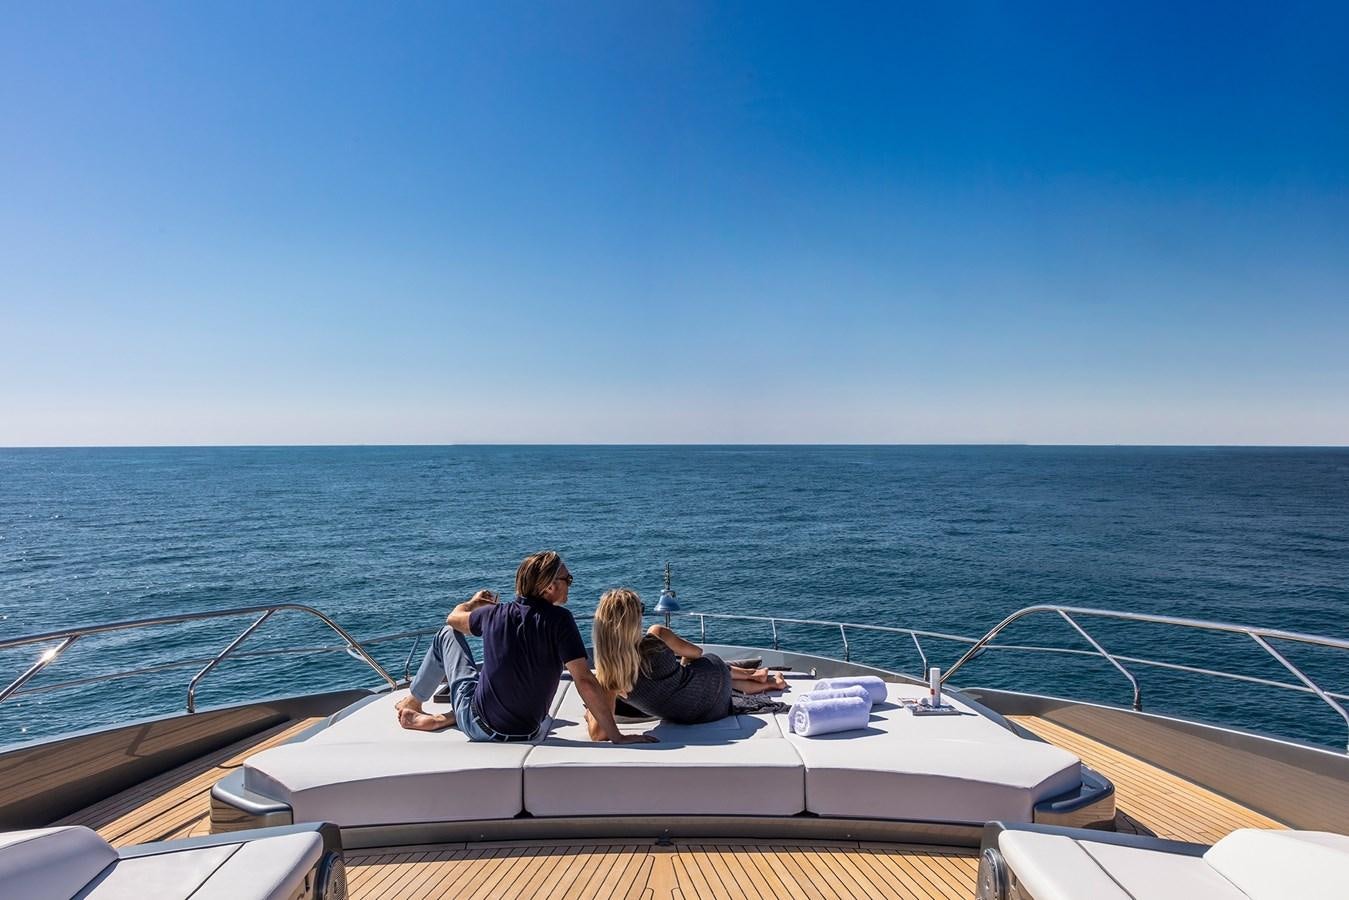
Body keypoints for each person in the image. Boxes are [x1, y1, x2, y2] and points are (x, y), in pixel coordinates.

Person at [396, 551, 656, 744]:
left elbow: (453, 619)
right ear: (549, 587)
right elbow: (584, 680)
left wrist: (473, 604)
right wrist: (617, 736)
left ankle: (414, 702)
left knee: (446, 634)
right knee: (478, 682)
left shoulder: (493, 614)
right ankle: (441, 715)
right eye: (568, 579)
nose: (570, 583)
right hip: (528, 730)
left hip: (481, 727)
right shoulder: (560, 621)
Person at [586, 587, 788, 734]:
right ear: (633, 621)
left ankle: (765, 681)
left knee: (713, 683)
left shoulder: (610, 678)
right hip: (712, 688)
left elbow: (598, 734)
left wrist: (590, 713)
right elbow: (696, 653)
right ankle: (759, 677)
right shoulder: (657, 636)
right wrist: (680, 674)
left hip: (705, 713)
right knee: (704, 669)